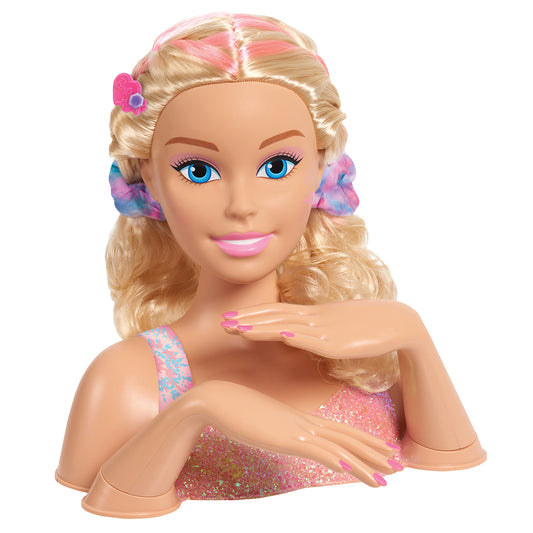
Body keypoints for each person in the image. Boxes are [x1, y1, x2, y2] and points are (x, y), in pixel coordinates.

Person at [55, 13, 486, 518]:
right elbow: (84, 517)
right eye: (198, 170)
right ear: (147, 180)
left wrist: (412, 335)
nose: (242, 205)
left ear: (321, 167)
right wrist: (197, 408)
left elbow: (454, 486)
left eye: (277, 166)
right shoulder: (129, 378)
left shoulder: (362, 353)